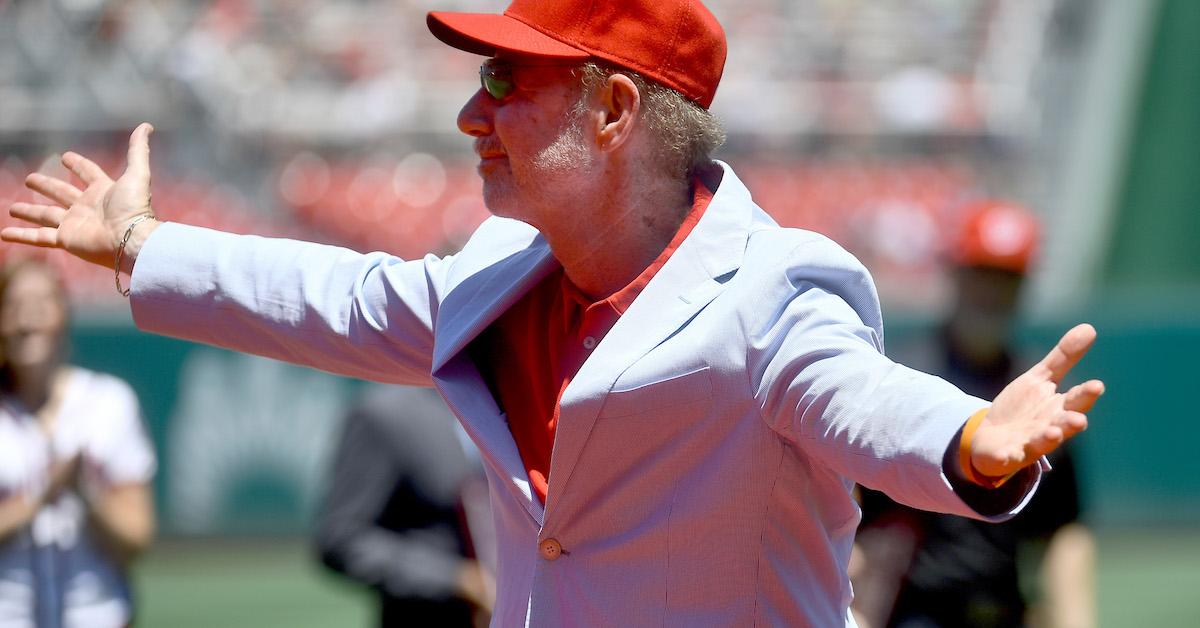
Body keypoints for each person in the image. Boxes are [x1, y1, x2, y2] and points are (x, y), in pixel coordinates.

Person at [3, 1, 1104, 625]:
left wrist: (967, 440)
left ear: (615, 108)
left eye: (505, 82)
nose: (470, 112)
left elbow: (855, 396)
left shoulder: (775, 282)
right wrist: (143, 246)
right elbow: (334, 296)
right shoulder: (501, 269)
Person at [851, 201, 1096, 628]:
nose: (992, 293)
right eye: (982, 274)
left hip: (1005, 610)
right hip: (910, 612)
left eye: (1006, 278)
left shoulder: (1039, 391)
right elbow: (853, 514)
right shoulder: (903, 377)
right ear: (955, 274)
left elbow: (1062, 529)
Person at [0, 260, 156, 628]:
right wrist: (38, 497)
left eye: (41, 304)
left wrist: (84, 492)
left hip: (97, 614)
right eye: (14, 306)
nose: (28, 320)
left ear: (63, 315)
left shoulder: (107, 402)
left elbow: (137, 536)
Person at [315, 384, 494, 627]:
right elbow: (342, 538)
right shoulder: (386, 413)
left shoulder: (513, 401)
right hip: (428, 614)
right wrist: (456, 579)